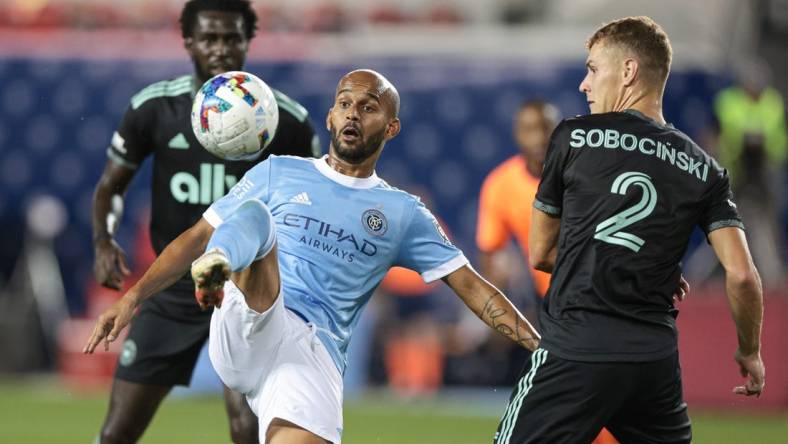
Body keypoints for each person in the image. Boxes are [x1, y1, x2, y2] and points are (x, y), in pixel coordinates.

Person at [85, 69, 541, 444]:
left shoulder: (403, 213)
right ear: (328, 117)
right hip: (250, 315)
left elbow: (473, 288)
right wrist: (133, 298)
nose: (353, 114)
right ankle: (220, 268)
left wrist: (543, 349)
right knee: (256, 219)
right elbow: (194, 236)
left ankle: (225, 265)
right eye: (345, 103)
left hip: (311, 354)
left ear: (391, 126)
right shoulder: (279, 171)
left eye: (368, 107)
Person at [493, 16, 765, 444]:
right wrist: (749, 350)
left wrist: (609, 260)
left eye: (593, 69)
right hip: (652, 364)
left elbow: (541, 254)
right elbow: (744, 276)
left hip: (576, 349)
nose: (585, 84)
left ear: (628, 71)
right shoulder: (705, 169)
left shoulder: (571, 138)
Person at [90, 1, 321, 443]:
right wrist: (103, 240)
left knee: (247, 430)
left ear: (248, 41)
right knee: (117, 433)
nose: (221, 49)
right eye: (210, 38)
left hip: (246, 290)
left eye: (232, 38)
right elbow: (109, 187)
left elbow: (310, 207)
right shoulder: (154, 108)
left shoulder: (285, 120)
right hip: (172, 287)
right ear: (189, 42)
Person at [476, 100, 558, 299]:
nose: (539, 138)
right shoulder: (500, 184)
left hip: (593, 291)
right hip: (548, 297)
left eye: (545, 128)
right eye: (529, 130)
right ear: (517, 134)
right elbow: (490, 252)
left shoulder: (581, 173)